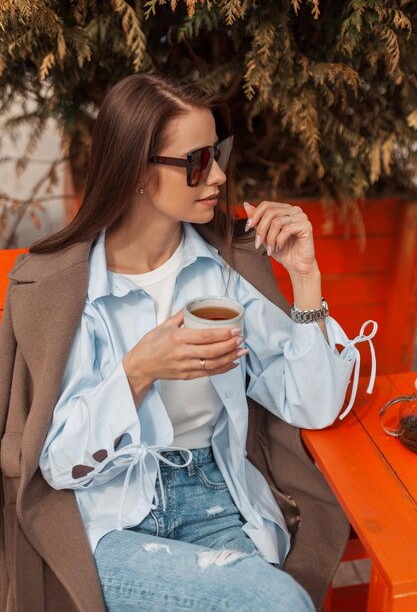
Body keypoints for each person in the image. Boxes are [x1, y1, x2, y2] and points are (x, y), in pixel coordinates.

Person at [0, 73, 377, 612]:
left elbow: (313, 406)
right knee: (276, 603)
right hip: (114, 522)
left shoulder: (225, 270)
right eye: (197, 161)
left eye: (217, 152)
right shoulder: (70, 291)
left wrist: (306, 277)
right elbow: (57, 465)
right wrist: (137, 373)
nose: (219, 174)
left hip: (220, 502)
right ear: (135, 170)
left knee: (274, 601)